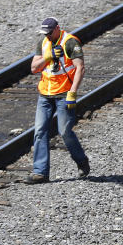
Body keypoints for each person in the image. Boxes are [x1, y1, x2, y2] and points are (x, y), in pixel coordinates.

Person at [25, 17, 89, 183]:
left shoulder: (70, 42)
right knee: (40, 131)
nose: (47, 36)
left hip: (64, 94)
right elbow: (34, 68)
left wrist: (73, 94)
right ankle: (40, 172)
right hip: (45, 94)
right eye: (45, 33)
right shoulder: (43, 42)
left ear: (57, 29)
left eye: (49, 33)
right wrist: (48, 57)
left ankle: (81, 161)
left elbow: (80, 68)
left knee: (65, 132)